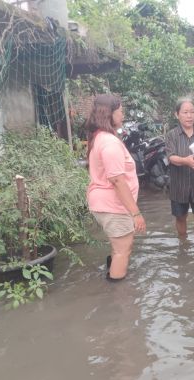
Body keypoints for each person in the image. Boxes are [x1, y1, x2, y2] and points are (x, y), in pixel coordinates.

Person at [85, 94, 146, 281]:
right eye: (120, 112)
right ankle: (118, 297)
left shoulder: (100, 138)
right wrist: (136, 214)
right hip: (113, 206)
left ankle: (112, 276)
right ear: (109, 114)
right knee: (122, 251)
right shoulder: (109, 143)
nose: (123, 115)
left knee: (118, 247)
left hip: (105, 203)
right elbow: (118, 181)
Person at [165, 98, 194, 242]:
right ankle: (183, 244)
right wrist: (186, 161)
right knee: (180, 217)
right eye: (185, 112)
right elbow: (170, 157)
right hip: (179, 184)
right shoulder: (171, 135)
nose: (189, 116)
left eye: (192, 112)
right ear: (177, 115)